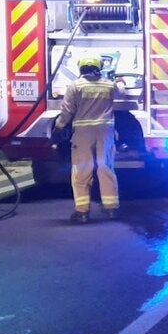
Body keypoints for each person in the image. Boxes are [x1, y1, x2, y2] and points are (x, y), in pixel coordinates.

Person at [52, 56, 119, 223]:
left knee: (82, 170)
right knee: (106, 167)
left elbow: (67, 110)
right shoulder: (108, 85)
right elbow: (121, 91)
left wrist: (58, 127)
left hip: (82, 133)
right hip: (105, 131)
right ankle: (110, 208)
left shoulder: (75, 86)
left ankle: (82, 212)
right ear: (99, 67)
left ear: (80, 67)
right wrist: (121, 81)